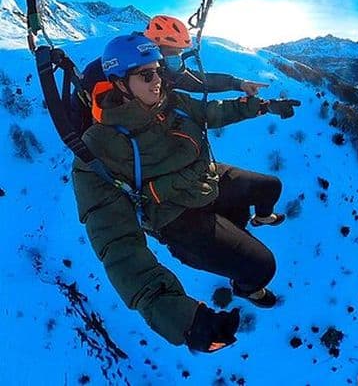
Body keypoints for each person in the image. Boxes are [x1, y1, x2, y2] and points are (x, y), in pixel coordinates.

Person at [71, 32, 301, 352]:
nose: (158, 82)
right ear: (119, 83)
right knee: (263, 267)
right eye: (146, 75)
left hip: (202, 180)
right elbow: (117, 245)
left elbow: (214, 113)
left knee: (271, 187)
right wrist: (186, 321)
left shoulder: (171, 102)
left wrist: (263, 107)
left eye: (159, 71)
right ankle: (246, 287)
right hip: (175, 217)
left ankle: (252, 225)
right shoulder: (99, 148)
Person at [69, 15, 266, 135]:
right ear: (156, 49)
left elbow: (196, 81)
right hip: (93, 121)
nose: (177, 62)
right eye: (174, 55)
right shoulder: (123, 69)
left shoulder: (158, 67)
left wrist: (238, 83)